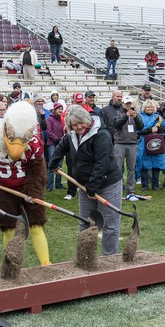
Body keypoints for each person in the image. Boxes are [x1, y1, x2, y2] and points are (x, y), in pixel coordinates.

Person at [0, 101, 51, 266]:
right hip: (3, 189)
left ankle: (46, 264)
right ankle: (10, 265)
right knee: (9, 228)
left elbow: (36, 171)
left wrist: (33, 191)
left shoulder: (34, 142)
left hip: (26, 189)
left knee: (36, 226)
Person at [49, 105, 124, 255]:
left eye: (80, 123)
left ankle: (109, 258)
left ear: (87, 120)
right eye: (74, 125)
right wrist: (53, 162)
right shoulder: (72, 134)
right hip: (84, 184)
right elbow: (62, 146)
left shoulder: (101, 135)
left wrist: (93, 186)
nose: (78, 127)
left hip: (108, 183)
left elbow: (101, 163)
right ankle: (85, 256)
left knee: (110, 224)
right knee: (85, 222)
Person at [114, 95, 143, 199]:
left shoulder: (135, 114)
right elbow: (116, 125)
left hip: (132, 143)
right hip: (120, 143)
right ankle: (117, 187)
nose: (128, 105)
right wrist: (126, 116)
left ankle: (131, 188)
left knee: (131, 168)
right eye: (126, 103)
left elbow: (141, 127)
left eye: (129, 103)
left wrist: (135, 117)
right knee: (118, 167)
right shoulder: (118, 113)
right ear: (122, 104)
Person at [136, 100, 165, 191]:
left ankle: (155, 185)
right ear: (144, 108)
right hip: (143, 143)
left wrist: (158, 129)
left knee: (156, 164)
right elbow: (139, 130)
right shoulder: (140, 117)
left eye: (151, 107)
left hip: (156, 143)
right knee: (144, 165)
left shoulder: (158, 117)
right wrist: (150, 130)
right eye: (148, 107)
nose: (150, 108)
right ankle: (145, 185)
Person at [45, 102, 65, 191]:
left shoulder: (63, 119)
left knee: (60, 164)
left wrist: (61, 140)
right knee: (52, 163)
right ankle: (49, 186)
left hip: (61, 143)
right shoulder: (49, 119)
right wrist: (56, 139)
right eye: (58, 109)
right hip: (52, 143)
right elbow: (49, 131)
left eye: (61, 109)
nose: (60, 110)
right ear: (55, 110)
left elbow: (65, 129)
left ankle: (58, 184)